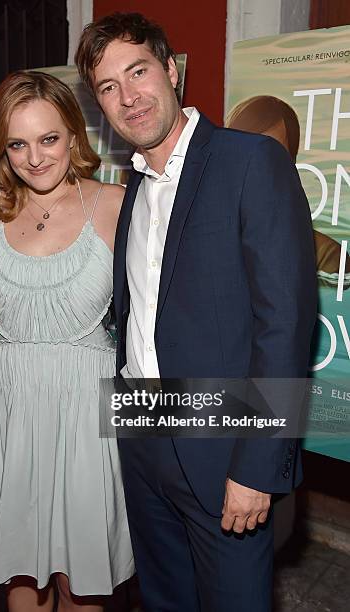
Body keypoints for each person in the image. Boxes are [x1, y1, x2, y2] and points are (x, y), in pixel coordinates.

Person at [76, 12, 317, 612]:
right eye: (108, 87)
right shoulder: (130, 189)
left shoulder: (251, 162)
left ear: (173, 70)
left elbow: (285, 326)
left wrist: (259, 466)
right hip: (141, 436)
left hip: (223, 451)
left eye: (138, 72)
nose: (128, 98)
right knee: (163, 600)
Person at [0, 71, 134, 612]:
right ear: (1, 149)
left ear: (74, 136)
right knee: (21, 581)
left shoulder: (117, 206)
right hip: (8, 412)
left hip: (86, 418)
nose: (34, 158)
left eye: (48, 139)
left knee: (81, 586)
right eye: (17, 144)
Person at [225, 95, 350, 282]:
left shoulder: (328, 258)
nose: (255, 163)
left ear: (291, 162)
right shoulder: (203, 233)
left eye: (271, 153)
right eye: (241, 151)